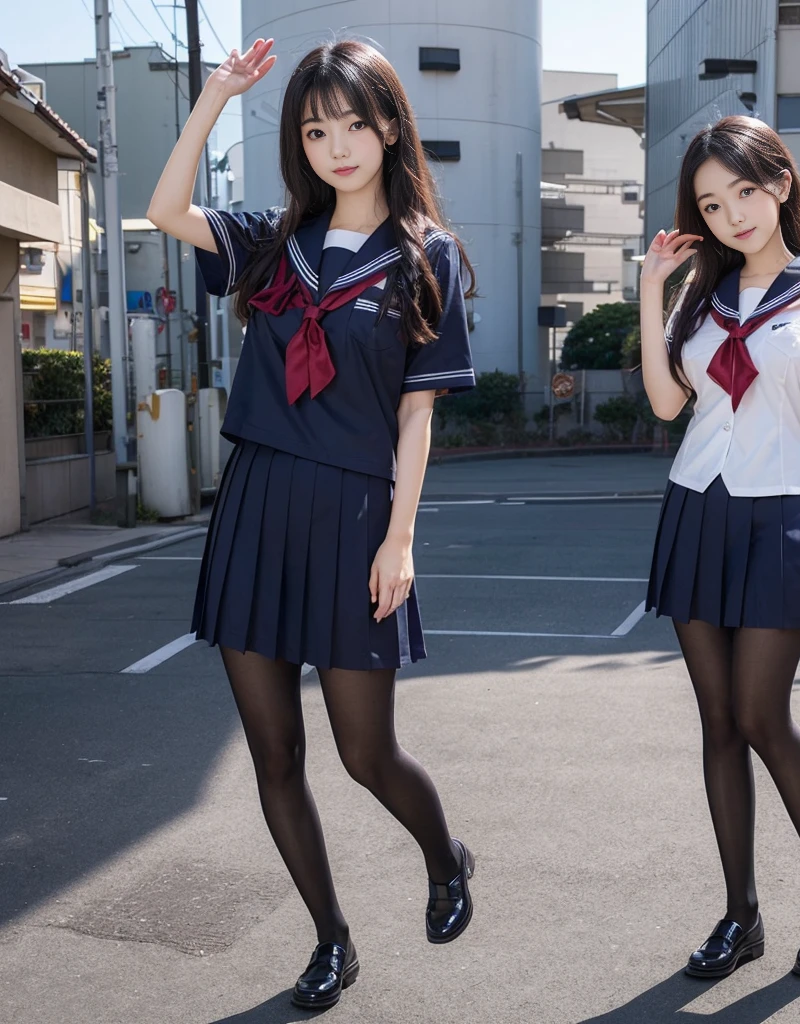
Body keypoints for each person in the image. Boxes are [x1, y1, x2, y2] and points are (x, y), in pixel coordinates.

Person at [148, 38, 477, 1010]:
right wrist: (213, 97)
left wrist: (402, 537)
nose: (337, 145)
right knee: (274, 756)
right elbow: (167, 211)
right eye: (314, 128)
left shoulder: (427, 255)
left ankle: (445, 854)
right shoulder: (272, 238)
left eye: (354, 124)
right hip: (256, 507)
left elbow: (417, 412)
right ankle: (331, 938)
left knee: (365, 753)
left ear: (389, 127)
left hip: (356, 512)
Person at [639, 116, 800, 979]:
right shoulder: (704, 294)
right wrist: (654, 290)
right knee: (719, 726)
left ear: (779, 185)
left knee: (764, 717)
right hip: (698, 509)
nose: (732, 213)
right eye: (710, 202)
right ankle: (741, 917)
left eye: (744, 191)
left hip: (780, 515)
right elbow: (666, 405)